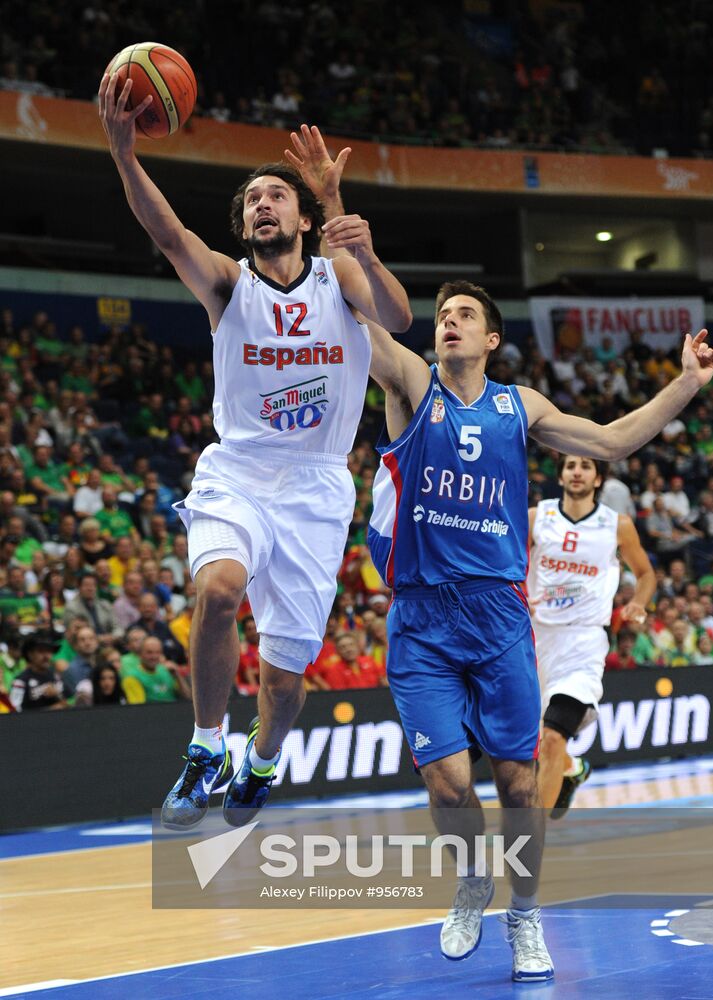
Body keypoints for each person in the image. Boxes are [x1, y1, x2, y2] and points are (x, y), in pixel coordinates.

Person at [283, 134, 713, 981]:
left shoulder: (521, 408)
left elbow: (616, 440)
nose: (446, 321)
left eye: (462, 316)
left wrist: (689, 384)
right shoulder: (411, 384)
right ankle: (472, 882)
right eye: (441, 314)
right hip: (421, 620)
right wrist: (333, 212)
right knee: (450, 788)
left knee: (522, 791)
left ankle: (526, 916)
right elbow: (353, 317)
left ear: (489, 341)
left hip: (496, 617)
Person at [99, 88, 412, 830]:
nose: (264, 205)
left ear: (304, 217)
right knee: (216, 591)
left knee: (283, 680)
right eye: (253, 201)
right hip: (238, 468)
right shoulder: (228, 284)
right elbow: (168, 232)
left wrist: (356, 237)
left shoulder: (341, 276)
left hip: (316, 485)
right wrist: (122, 149)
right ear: (243, 226)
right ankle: (207, 746)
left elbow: (399, 318)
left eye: (278, 195)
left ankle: (262, 759)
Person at [527, 454, 656, 819]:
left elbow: (646, 574)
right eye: (570, 465)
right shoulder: (538, 517)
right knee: (534, 741)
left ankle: (527, 841)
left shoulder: (617, 525)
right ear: (562, 474)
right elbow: (510, 563)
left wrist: (639, 604)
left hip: (584, 642)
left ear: (598, 478)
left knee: (553, 737)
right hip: (535, 639)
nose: (577, 471)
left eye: (585, 466)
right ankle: (573, 769)